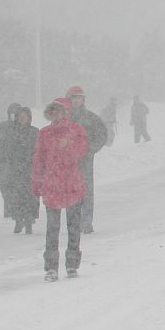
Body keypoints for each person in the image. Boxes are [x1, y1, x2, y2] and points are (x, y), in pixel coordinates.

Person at [31, 98, 89, 281]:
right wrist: (36, 182)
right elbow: (38, 159)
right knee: (52, 228)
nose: (57, 115)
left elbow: (80, 153)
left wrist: (67, 147)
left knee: (73, 227)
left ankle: (72, 264)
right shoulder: (44, 133)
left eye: (61, 111)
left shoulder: (76, 131)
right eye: (54, 111)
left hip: (72, 184)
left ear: (66, 112)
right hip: (52, 186)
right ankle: (51, 267)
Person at [67, 86, 107, 235]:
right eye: (74, 97)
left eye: (80, 98)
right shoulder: (64, 117)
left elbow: (102, 134)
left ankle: (86, 221)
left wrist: (90, 149)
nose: (77, 101)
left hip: (85, 160)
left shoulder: (91, 117)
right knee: (71, 191)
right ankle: (73, 221)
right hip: (67, 162)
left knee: (86, 191)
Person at [0, 106, 40, 234]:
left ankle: (29, 221)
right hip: (15, 170)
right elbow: (5, 149)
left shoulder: (34, 132)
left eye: (25, 116)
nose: (22, 119)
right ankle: (18, 220)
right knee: (16, 197)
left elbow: (39, 150)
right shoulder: (10, 132)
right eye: (20, 117)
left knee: (31, 197)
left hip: (30, 169)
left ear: (29, 118)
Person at [0, 103, 22, 215]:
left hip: (19, 163)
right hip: (4, 162)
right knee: (5, 187)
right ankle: (9, 209)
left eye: (16, 113)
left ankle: (15, 210)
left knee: (18, 189)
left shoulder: (24, 128)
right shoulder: (1, 126)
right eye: (12, 113)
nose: (14, 116)